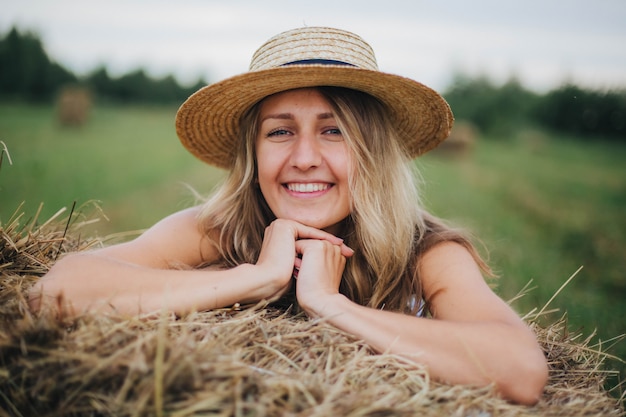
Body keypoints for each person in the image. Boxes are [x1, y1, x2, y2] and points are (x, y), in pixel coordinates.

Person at [29, 27, 548, 404]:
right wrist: (253, 277)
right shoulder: (219, 228)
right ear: (254, 154)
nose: (303, 157)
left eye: (333, 130)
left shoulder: (426, 251)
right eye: (279, 131)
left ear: (372, 152)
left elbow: (520, 370)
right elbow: (56, 293)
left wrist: (328, 304)